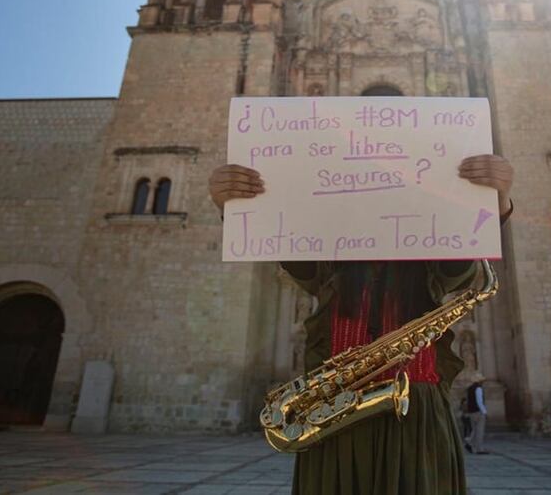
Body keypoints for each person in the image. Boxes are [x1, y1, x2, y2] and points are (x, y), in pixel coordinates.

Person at [208, 153, 514, 495]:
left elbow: (460, 264)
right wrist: (234, 205)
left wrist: (496, 201)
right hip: (333, 411)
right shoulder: (328, 256)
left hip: (416, 412)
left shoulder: (430, 251)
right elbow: (287, 248)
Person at [465, 374, 489, 454]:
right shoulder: (478, 388)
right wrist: (484, 412)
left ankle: (469, 442)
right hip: (478, 412)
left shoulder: (469, 388)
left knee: (474, 429)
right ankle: (479, 449)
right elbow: (479, 401)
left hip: (471, 412)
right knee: (479, 431)